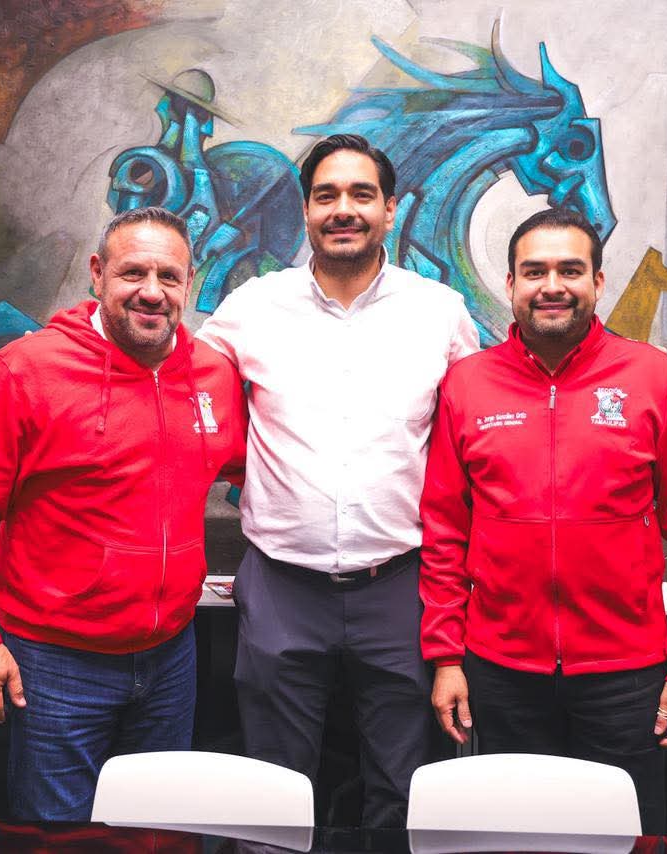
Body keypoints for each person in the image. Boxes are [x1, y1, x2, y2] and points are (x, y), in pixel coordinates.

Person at [196, 134, 480, 827]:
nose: (343, 209)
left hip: (401, 589)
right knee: (273, 791)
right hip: (281, 587)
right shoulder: (251, 307)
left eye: (361, 194)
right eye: (326, 195)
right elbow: (179, 391)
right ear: (306, 209)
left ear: (391, 208)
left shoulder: (440, 311)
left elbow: (471, 437)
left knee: (404, 790)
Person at [0, 207, 246, 821]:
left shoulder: (213, 375)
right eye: (132, 273)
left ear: (190, 283)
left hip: (171, 656)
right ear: (97, 274)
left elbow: (252, 470)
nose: (151, 291)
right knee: (56, 834)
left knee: (155, 829)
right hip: (54, 663)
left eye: (168, 276)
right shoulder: (24, 371)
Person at [420, 207, 667, 833]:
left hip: (626, 674)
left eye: (570, 270)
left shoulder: (654, 378)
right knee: (513, 839)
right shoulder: (466, 385)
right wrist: (447, 657)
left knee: (624, 837)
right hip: (501, 671)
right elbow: (444, 534)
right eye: (535, 271)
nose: (552, 286)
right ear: (511, 283)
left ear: (598, 281)